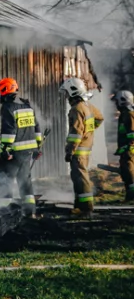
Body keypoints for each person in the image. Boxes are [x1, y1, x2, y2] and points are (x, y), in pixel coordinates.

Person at [0, 78, 43, 217]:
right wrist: (37, 147)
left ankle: (3, 213)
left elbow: (9, 131)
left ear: (5, 91)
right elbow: (37, 128)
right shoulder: (27, 106)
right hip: (27, 152)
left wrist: (6, 150)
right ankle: (30, 212)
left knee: (5, 181)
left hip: (14, 153)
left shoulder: (8, 108)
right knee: (25, 182)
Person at [60, 77, 103, 216]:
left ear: (73, 92)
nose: (66, 96)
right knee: (79, 176)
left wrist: (69, 151)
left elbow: (76, 133)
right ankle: (80, 204)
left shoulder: (76, 109)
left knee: (80, 177)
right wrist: (89, 132)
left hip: (78, 150)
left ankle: (85, 208)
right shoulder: (88, 106)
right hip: (86, 147)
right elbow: (99, 118)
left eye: (67, 93)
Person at [113, 90, 134, 202]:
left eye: (117, 101)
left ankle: (132, 196)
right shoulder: (124, 114)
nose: (115, 104)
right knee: (126, 172)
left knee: (130, 172)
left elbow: (132, 133)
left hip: (129, 150)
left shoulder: (130, 115)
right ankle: (130, 195)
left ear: (122, 101)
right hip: (125, 150)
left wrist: (128, 147)